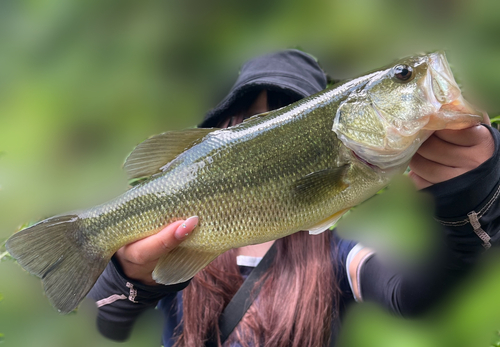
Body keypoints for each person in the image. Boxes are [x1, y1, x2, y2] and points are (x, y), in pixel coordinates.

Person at [88, 49, 500, 347]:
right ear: (225, 127)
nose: (267, 135)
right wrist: (129, 274)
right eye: (252, 122)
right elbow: (110, 323)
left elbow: (412, 298)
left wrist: (470, 214)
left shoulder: (336, 256)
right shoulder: (181, 253)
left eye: (288, 113)